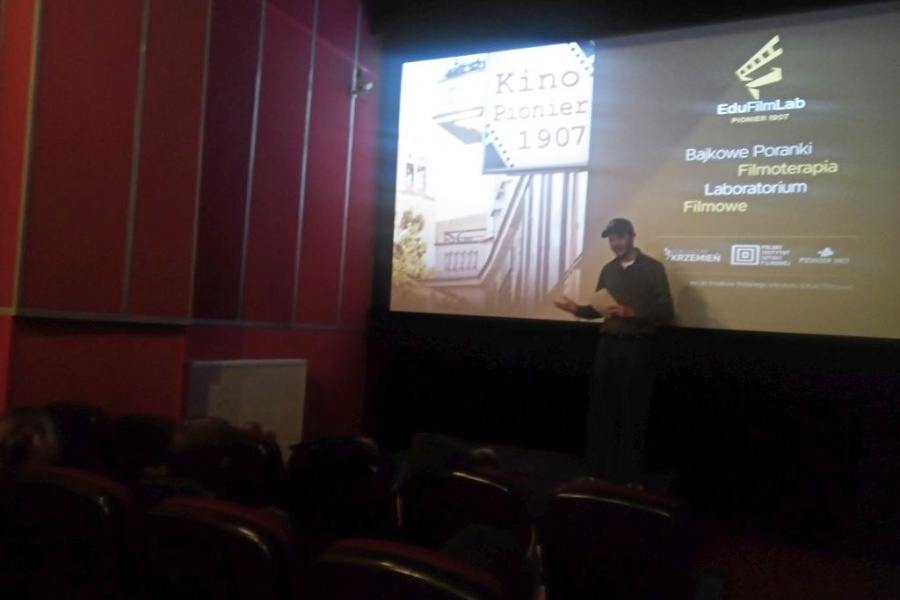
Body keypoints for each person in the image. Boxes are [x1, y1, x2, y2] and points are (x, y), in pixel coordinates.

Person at [554, 217, 674, 486]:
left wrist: (634, 313)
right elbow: (599, 308)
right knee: (602, 410)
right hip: (608, 345)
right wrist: (578, 310)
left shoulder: (653, 268)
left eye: (619, 237)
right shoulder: (608, 270)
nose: (615, 243)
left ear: (632, 236)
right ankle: (598, 472)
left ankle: (631, 478)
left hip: (637, 346)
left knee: (633, 412)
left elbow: (666, 311)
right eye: (611, 239)